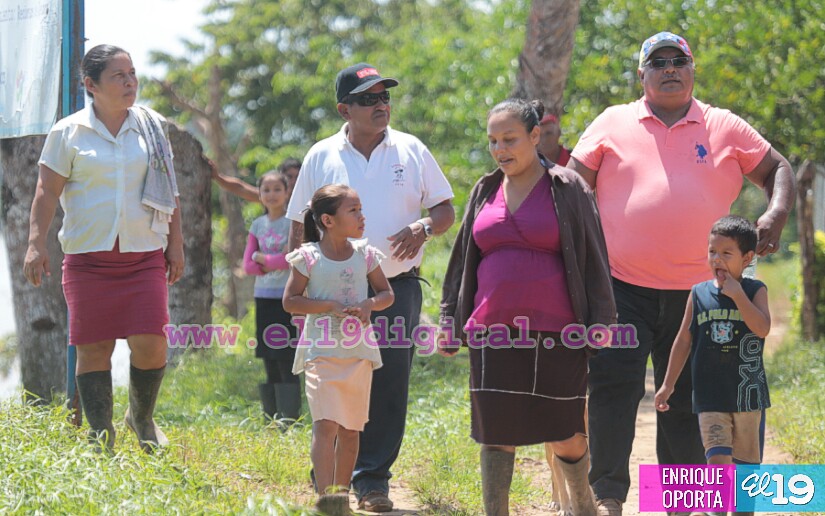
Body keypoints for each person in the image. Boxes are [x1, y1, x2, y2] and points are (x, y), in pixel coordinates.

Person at [568, 32, 796, 515]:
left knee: (688, 398)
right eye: (658, 62)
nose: (669, 68)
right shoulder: (612, 122)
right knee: (613, 388)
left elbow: (778, 169)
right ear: (642, 74)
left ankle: (680, 503)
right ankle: (608, 496)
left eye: (679, 60)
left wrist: (775, 214)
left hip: (705, 294)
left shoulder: (723, 125)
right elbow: (571, 184)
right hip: (620, 288)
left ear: (692, 69)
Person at [285, 63, 455, 512]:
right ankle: (330, 479)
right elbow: (299, 224)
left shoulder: (411, 149)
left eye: (384, 96)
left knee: (388, 384)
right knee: (333, 381)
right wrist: (299, 293)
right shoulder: (321, 154)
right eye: (368, 99)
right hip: (330, 301)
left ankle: (373, 481)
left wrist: (422, 227)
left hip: (392, 290)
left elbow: (445, 209)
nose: (381, 105)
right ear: (345, 109)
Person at [438, 98, 616, 516]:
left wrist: (603, 319)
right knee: (495, 429)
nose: (500, 149)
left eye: (509, 139)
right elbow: (462, 259)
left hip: (558, 331)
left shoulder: (568, 187)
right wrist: (449, 319)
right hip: (492, 329)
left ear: (535, 136)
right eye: (493, 141)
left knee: (564, 429)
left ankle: (583, 505)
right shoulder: (484, 190)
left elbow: (594, 255)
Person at [22, 44, 184, 453]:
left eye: (132, 74)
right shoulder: (68, 132)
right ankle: (101, 435)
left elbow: (170, 189)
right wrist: (35, 243)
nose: (130, 82)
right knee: (94, 347)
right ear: (91, 85)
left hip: (144, 255)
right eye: (119, 76)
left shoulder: (150, 127)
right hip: (88, 262)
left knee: (151, 342)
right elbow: (46, 192)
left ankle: (141, 418)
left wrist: (176, 244)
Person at [283, 184, 394, 515]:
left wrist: (369, 304)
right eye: (353, 210)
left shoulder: (365, 254)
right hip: (321, 352)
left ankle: (341, 497)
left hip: (357, 354)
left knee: (350, 429)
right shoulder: (308, 257)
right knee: (325, 425)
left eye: (360, 209)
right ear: (328, 220)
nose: (362, 216)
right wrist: (328, 305)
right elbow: (290, 301)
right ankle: (326, 499)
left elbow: (386, 294)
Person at [654, 215, 769, 516]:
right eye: (712, 252)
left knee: (744, 470)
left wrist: (738, 296)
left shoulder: (756, 290)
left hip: (747, 397)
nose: (717, 259)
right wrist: (668, 385)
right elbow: (683, 340)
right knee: (717, 460)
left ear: (747, 258)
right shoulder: (699, 294)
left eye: (726, 253)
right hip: (709, 396)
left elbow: (762, 328)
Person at [242, 170, 300, 422]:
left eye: (277, 189)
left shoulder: (292, 223)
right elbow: (247, 266)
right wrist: (271, 260)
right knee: (268, 354)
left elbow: (291, 258)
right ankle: (271, 416)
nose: (272, 194)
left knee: (286, 355)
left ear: (287, 193)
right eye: (266, 190)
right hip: (263, 297)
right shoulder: (257, 225)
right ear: (260, 194)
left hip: (287, 298)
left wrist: (262, 258)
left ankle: (290, 417)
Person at [211, 157, 302, 203]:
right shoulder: (273, 198)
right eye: (289, 177)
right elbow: (240, 188)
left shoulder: (307, 200)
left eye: (297, 177)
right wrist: (218, 177)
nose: (294, 181)